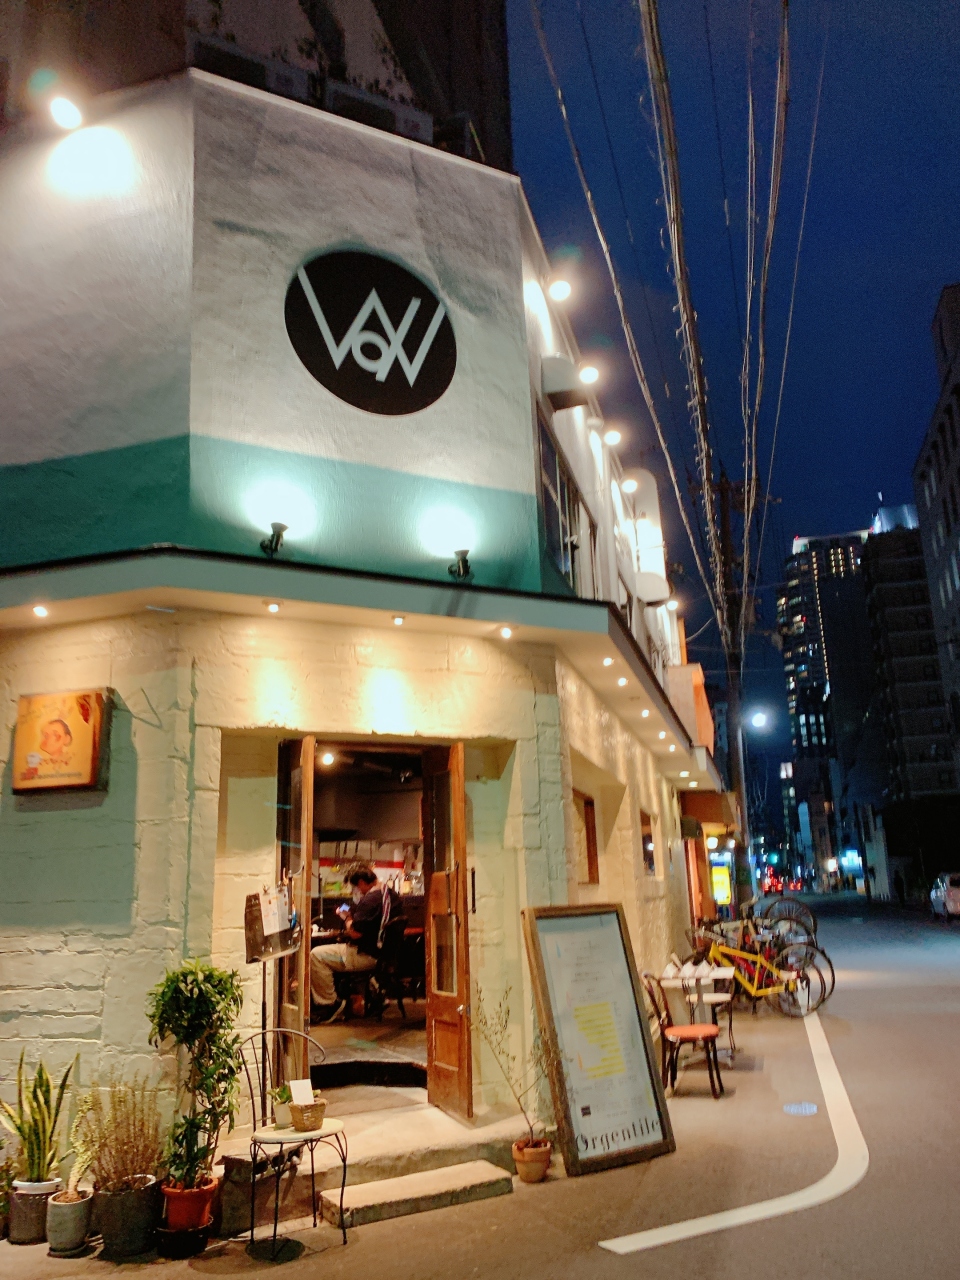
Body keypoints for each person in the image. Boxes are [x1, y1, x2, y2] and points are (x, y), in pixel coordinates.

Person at [310, 865, 402, 1024]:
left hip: (365, 955)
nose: (356, 891)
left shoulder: (370, 900)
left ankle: (330, 1004)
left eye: (355, 887)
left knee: (316, 955)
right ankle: (372, 993)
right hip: (384, 955)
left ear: (361, 882)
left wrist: (346, 917)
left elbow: (355, 933)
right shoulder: (392, 895)